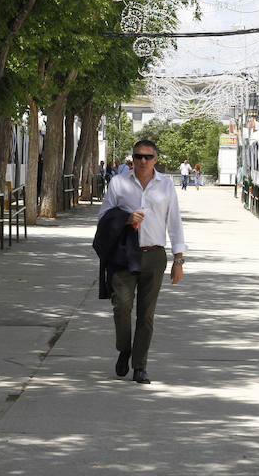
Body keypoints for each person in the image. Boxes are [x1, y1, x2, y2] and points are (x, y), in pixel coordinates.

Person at [96, 140, 185, 384]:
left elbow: (174, 221)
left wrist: (179, 259)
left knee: (146, 315)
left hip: (154, 255)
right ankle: (124, 348)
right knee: (122, 307)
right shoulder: (119, 183)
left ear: (156, 159)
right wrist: (125, 218)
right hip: (125, 254)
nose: (142, 161)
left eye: (147, 157)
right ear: (132, 159)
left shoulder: (166, 185)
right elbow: (103, 216)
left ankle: (140, 365)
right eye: (138, 156)